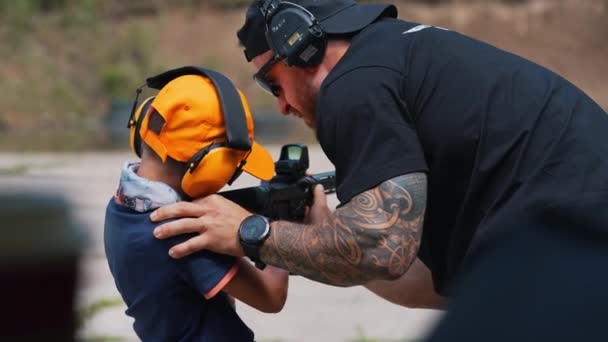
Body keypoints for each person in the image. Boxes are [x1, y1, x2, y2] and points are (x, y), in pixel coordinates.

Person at [151, 1, 608, 340]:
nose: (283, 105)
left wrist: (250, 233)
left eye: (272, 82)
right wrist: (318, 240)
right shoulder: (401, 57)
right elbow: (416, 276)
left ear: (301, 43)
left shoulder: (354, 85)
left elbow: (382, 248)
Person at [104, 69, 288, 342]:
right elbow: (271, 296)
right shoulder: (185, 232)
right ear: (211, 167)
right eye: (233, 169)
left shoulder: (120, 207)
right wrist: (280, 226)